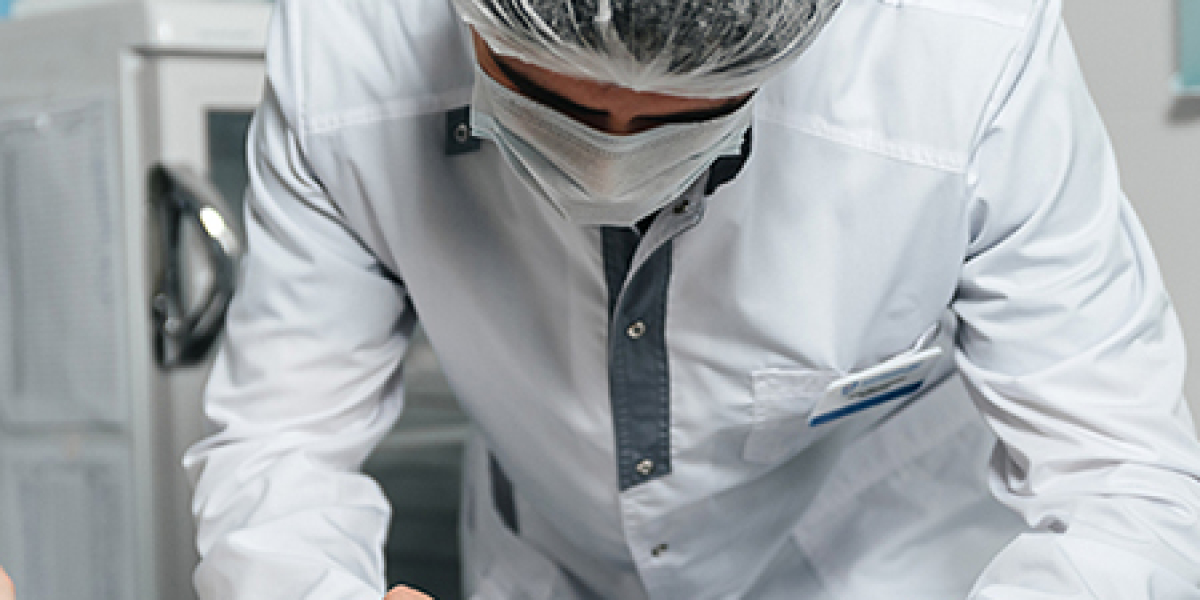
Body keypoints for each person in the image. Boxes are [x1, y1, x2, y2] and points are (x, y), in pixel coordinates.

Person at [184, 0, 1200, 598]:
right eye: (549, 98)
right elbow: (283, 438)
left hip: (877, 553)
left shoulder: (966, 51)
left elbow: (1121, 476)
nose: (610, 162)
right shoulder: (346, 50)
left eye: (688, 116)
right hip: (557, 561)